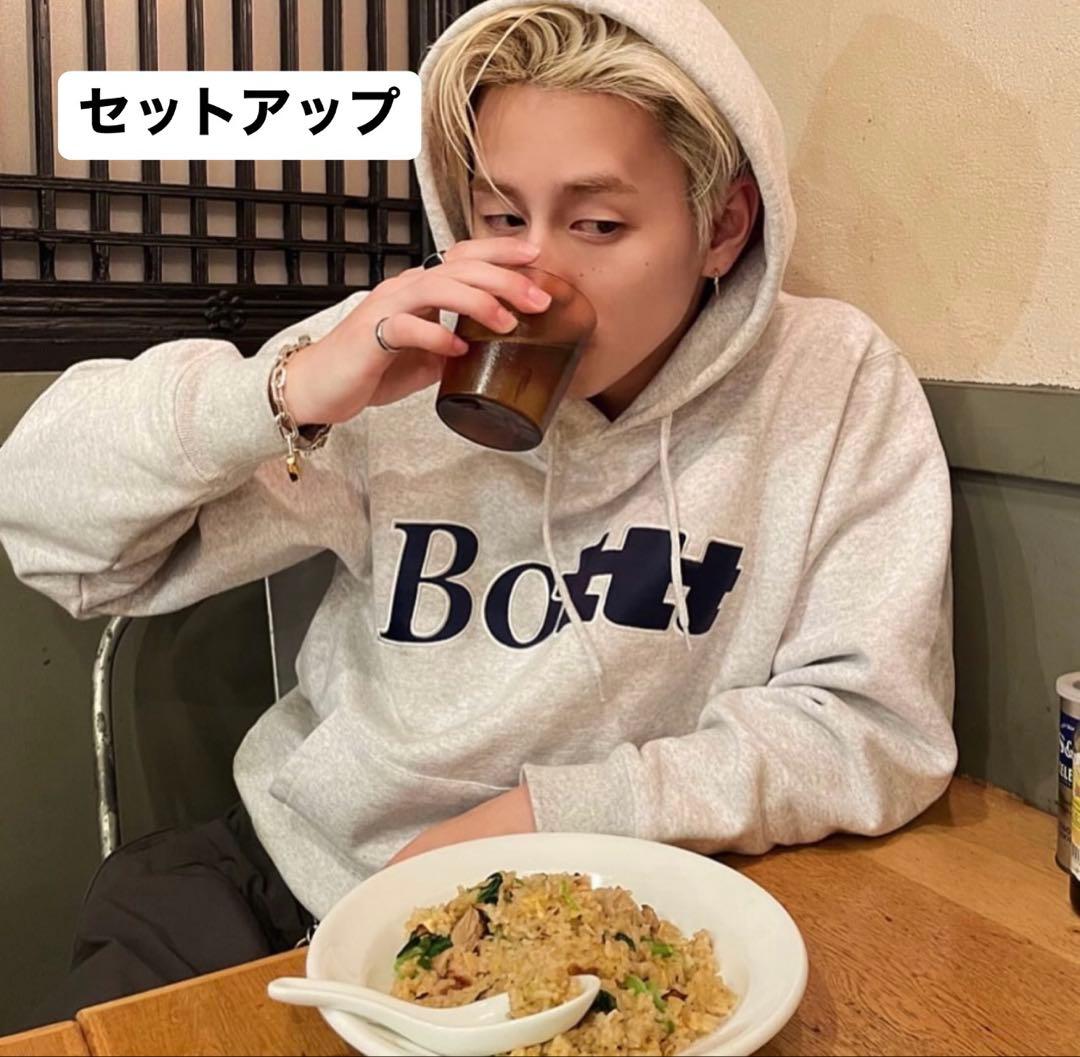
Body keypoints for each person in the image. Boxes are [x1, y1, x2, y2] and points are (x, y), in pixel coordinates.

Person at [0, 0, 956, 1024]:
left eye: (597, 225)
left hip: (611, 917)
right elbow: (51, 536)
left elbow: (874, 727)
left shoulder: (826, 381)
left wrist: (556, 813)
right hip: (298, 882)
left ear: (721, 226)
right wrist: (289, 391)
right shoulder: (405, 352)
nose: (534, 277)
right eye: (501, 220)